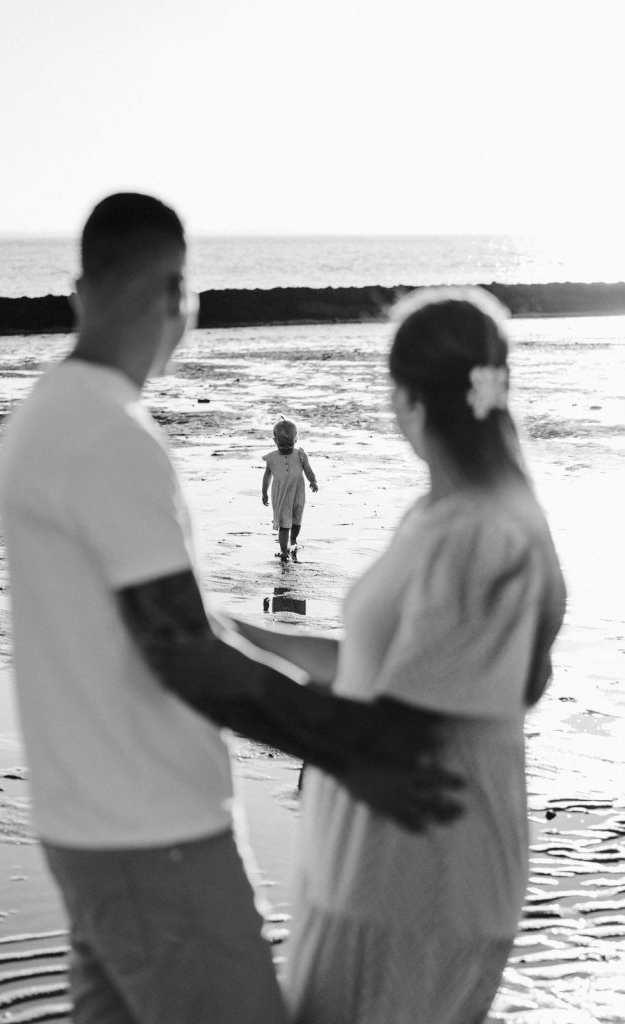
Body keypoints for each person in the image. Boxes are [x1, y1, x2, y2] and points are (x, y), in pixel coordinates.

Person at [0, 193, 463, 1024]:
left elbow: (164, 623)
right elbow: (179, 650)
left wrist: (321, 659)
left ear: (79, 288)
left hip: (86, 833)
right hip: (156, 840)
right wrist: (355, 748)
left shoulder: (43, 418)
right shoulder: (110, 433)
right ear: (178, 293)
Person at [229, 287, 567, 1023]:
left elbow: (395, 727)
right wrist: (248, 634)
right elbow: (383, 661)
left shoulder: (478, 536)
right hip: (371, 873)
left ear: (409, 401)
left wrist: (228, 681)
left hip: (417, 882)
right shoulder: (438, 515)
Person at [262, 416, 318, 561]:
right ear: (275, 441)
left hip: (298, 495)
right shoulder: (272, 458)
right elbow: (267, 475)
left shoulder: (300, 455)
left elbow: (308, 470)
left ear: (296, 440)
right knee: (284, 525)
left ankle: (293, 540)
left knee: (297, 521)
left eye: (289, 445)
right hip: (281, 496)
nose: (286, 449)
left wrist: (313, 481)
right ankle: (283, 550)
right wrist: (264, 492)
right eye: (282, 446)